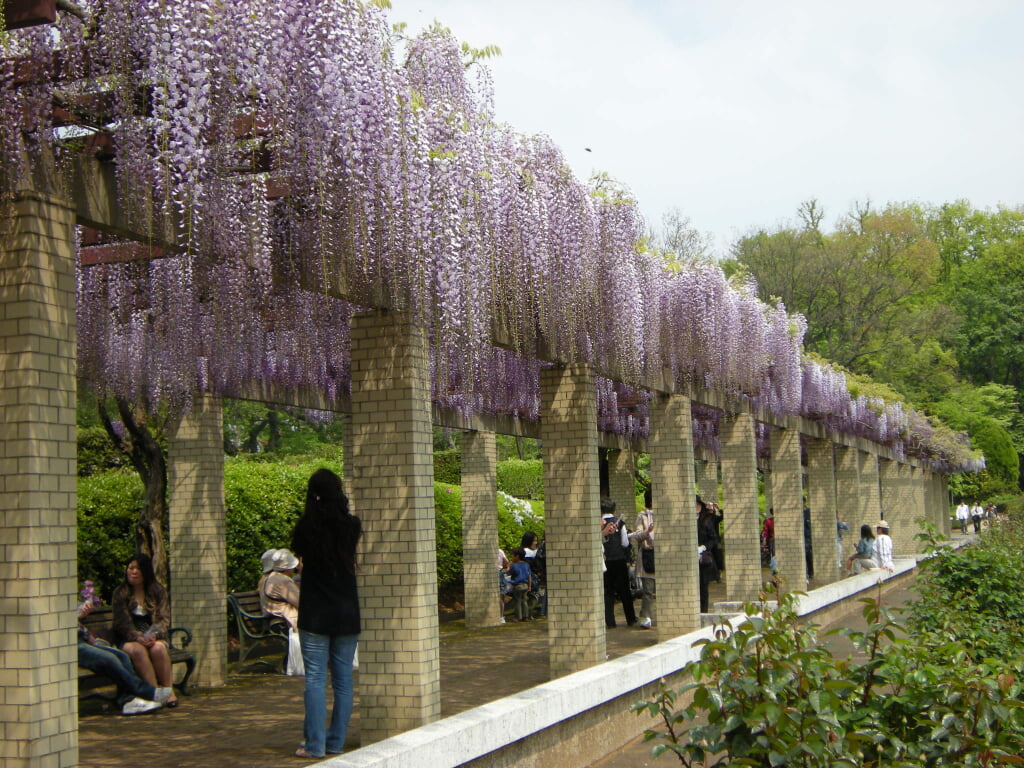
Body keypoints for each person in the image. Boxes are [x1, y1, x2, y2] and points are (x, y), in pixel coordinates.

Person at [290, 469, 361, 759]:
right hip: (346, 609)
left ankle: (314, 744)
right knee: (343, 681)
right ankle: (336, 743)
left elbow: (301, 560)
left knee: (316, 679)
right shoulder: (352, 525)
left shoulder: (306, 527)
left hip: (316, 610)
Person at [78, 601, 173, 715]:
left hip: (83, 640)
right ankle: (148, 692)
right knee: (109, 659)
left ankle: (128, 702)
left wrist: (82, 619)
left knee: (122, 656)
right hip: (68, 645)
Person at [110, 553, 177, 708]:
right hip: (128, 638)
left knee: (158, 649)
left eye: (137, 569)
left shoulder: (157, 590)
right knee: (138, 650)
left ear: (145, 572)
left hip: (154, 635)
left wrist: (155, 634)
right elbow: (121, 623)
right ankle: (153, 692)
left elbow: (164, 618)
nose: (133, 572)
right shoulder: (120, 593)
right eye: (130, 568)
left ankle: (169, 691)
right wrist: (137, 636)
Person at [601, 498, 637, 628]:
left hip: (605, 561)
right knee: (624, 591)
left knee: (608, 591)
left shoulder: (599, 523)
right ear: (613, 509)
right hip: (619, 560)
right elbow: (625, 543)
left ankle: (610, 622)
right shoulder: (620, 523)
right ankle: (631, 618)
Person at [258, 548, 300, 630]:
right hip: (285, 620)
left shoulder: (270, 577)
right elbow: (301, 602)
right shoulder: (283, 581)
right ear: (289, 568)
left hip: (274, 616)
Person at [633, 488, 655, 629]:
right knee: (648, 589)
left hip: (663, 555)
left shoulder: (665, 513)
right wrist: (648, 532)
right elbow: (637, 536)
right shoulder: (642, 516)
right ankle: (646, 617)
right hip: (648, 554)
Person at [696, 496, 722, 613]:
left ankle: (703, 610)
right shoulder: (685, 520)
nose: (696, 507)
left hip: (703, 556)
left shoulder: (706, 520)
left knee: (703, 586)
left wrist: (703, 547)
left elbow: (713, 538)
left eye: (698, 505)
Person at [507, 547, 532, 622]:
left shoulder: (514, 566)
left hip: (517, 585)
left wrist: (509, 566)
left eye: (513, 555)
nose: (512, 557)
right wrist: (529, 586)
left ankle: (518, 617)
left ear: (517, 556)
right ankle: (526, 616)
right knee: (524, 601)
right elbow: (529, 576)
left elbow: (509, 573)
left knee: (517, 601)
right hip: (525, 585)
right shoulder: (526, 565)